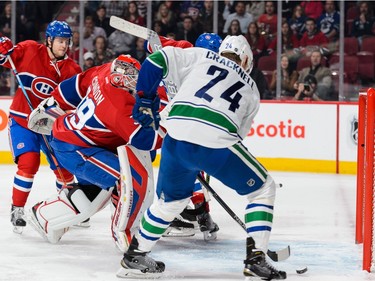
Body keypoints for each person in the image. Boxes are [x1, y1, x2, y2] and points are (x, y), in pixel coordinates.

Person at [117, 34, 286, 280]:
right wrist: (203, 156)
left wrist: (145, 97)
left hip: (175, 139)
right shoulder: (251, 87)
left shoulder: (200, 56)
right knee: (262, 188)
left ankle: (135, 255)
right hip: (214, 143)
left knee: (170, 202)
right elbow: (236, 137)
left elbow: (155, 60)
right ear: (247, 60)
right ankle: (256, 259)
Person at [27, 54, 163, 244]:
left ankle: (44, 216)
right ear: (120, 79)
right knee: (123, 178)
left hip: (74, 138)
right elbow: (145, 140)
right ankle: (124, 232)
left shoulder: (104, 72)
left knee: (93, 194)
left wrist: (55, 100)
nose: (134, 84)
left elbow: (76, 85)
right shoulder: (116, 106)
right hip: (75, 147)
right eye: (130, 80)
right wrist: (174, 134)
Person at [0, 20, 81, 232]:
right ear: (49, 40)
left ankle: (67, 208)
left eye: (67, 41)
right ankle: (17, 209)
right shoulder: (28, 50)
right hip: (23, 120)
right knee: (29, 163)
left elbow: (75, 102)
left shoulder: (72, 70)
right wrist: (2, 49)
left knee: (64, 171)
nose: (64, 45)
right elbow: (4, 58)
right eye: (60, 41)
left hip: (50, 125)